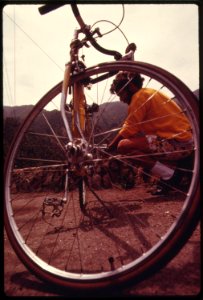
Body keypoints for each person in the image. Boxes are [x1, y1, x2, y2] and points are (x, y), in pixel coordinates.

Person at [108, 71, 194, 195]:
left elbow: (129, 128)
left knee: (123, 146)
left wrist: (112, 145)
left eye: (121, 94)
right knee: (136, 144)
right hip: (184, 141)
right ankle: (175, 170)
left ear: (131, 87)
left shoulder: (138, 96)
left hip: (177, 144)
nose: (121, 99)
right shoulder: (149, 92)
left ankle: (169, 175)